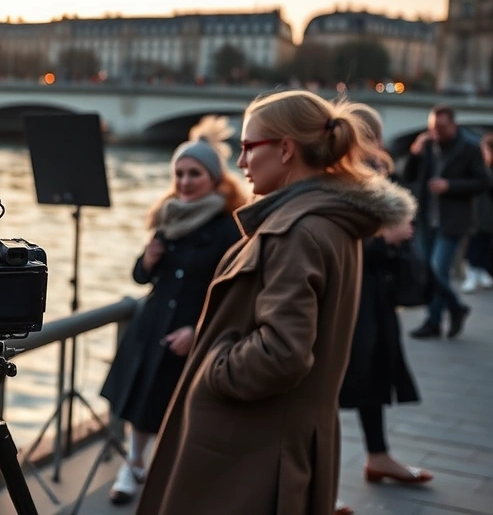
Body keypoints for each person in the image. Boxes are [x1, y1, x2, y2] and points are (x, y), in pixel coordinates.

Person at [134, 89, 417, 515]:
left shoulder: (296, 231)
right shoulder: (328, 221)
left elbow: (283, 352)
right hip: (277, 444)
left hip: (251, 455)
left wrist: (215, 366)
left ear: (286, 149)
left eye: (248, 147)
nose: (241, 161)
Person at [100, 116, 246, 505]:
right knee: (141, 403)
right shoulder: (167, 219)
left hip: (191, 334)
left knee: (182, 411)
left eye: (194, 173)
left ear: (215, 178)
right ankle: (132, 465)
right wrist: (148, 260)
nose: (183, 182)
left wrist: (199, 331)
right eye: (178, 174)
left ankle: (174, 476)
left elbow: (233, 293)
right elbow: (140, 278)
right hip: (153, 327)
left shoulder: (230, 229)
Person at [335, 105, 432, 515]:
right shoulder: (334, 182)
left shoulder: (376, 177)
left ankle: (378, 457)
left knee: (373, 376)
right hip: (346, 299)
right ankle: (322, 480)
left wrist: (394, 243)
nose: (374, 145)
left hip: (374, 296)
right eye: (366, 136)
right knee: (331, 389)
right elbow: (333, 245)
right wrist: (384, 240)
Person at [402, 105, 490, 338]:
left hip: (453, 220)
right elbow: (408, 176)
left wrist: (450, 186)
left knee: (437, 269)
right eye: (432, 128)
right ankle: (454, 309)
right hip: (426, 218)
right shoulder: (428, 146)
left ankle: (435, 320)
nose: (436, 133)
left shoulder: (470, 148)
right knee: (428, 271)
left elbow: (483, 181)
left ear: (453, 125)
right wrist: (413, 153)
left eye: (440, 128)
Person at [461, 132, 493, 293]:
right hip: (474, 213)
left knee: (485, 243)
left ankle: (480, 272)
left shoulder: (489, 171)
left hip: (489, 215)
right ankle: (473, 274)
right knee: (474, 243)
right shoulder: (475, 168)